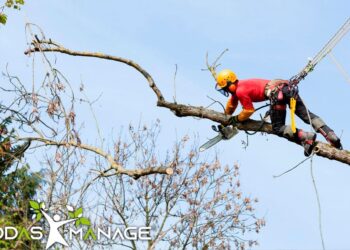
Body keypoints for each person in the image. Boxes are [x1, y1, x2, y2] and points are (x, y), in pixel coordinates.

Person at [215, 69, 342, 155]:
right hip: (287, 89)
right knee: (306, 115)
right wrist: (225, 119)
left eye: (225, 87)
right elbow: (231, 105)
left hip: (277, 96)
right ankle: (329, 134)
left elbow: (248, 110)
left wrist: (235, 119)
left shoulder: (240, 91)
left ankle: (306, 137)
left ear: (230, 82)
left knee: (278, 127)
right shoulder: (241, 86)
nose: (226, 90)